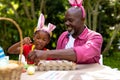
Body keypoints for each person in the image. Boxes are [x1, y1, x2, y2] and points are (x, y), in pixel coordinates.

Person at [27, 0, 103, 64]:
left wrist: (46, 53)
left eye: (70, 20)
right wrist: (42, 60)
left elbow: (82, 52)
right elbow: (57, 59)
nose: (66, 23)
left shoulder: (95, 37)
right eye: (65, 20)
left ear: (82, 20)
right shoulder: (63, 36)